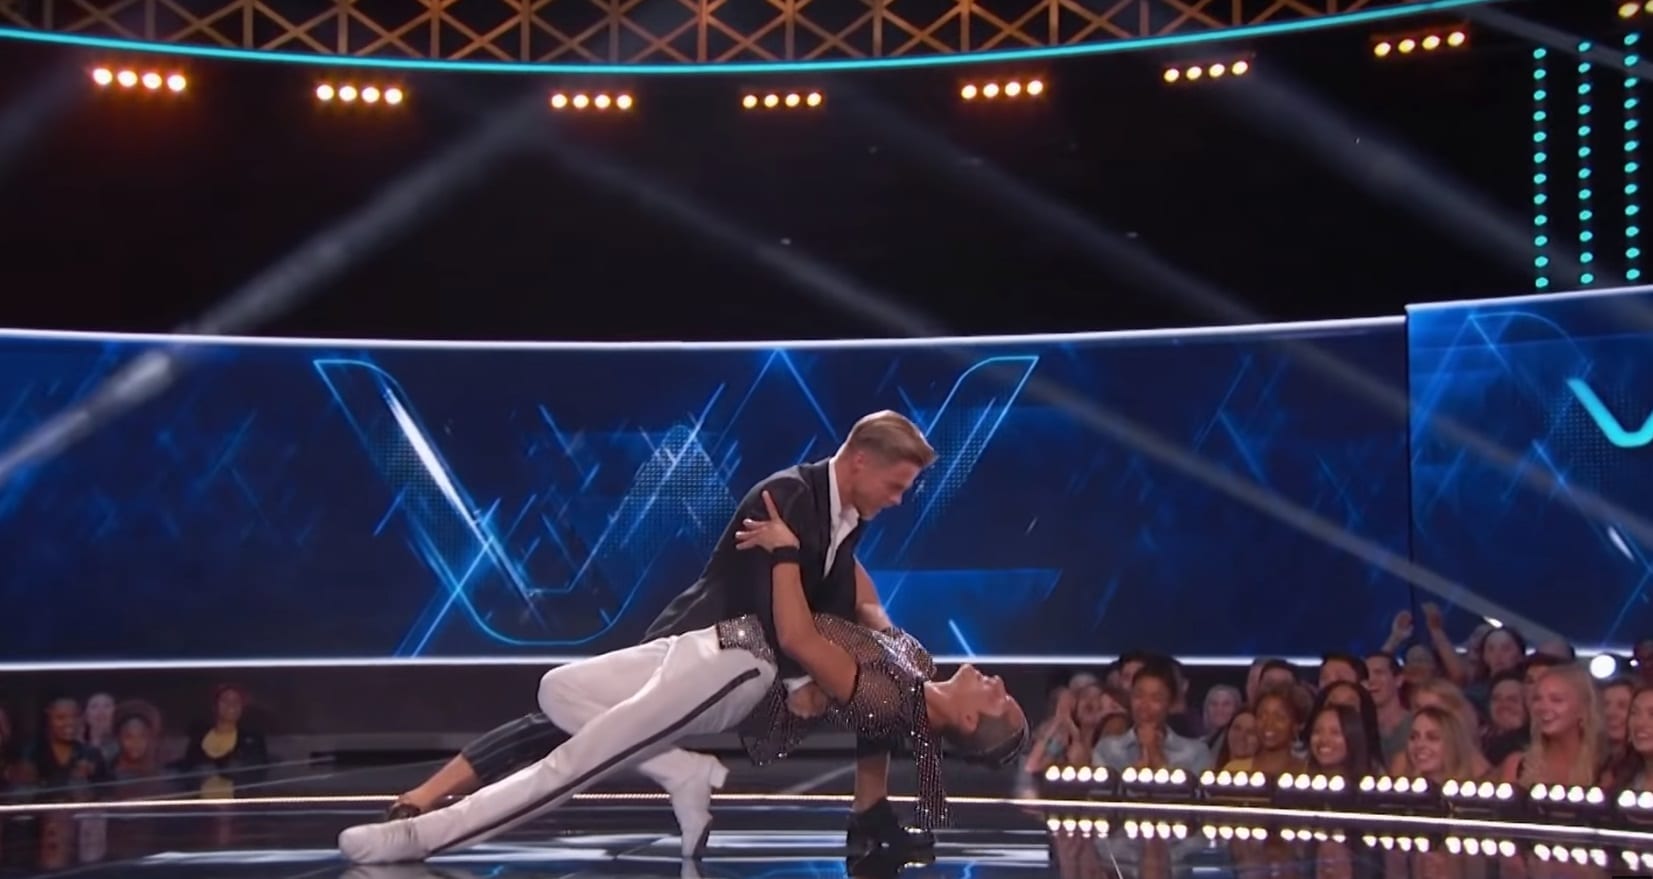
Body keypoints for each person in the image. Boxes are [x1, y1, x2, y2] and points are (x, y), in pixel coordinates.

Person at [337, 491, 1028, 863]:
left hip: (746, 668)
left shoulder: (888, 701)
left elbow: (798, 635)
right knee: (559, 692)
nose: (998, 679)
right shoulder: (917, 668)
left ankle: (426, 834)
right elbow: (864, 602)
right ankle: (680, 771)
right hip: (724, 640)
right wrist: (838, 543)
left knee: (575, 760)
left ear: (969, 719)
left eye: (999, 697)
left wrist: (788, 553)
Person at [376, 411, 946, 852]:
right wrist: (805, 680)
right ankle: (425, 803)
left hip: (754, 662)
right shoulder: (788, 497)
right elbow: (759, 602)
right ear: (860, 462)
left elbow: (834, 593)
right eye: (896, 485)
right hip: (707, 649)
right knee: (563, 723)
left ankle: (869, 812)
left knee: (880, 690)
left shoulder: (846, 514)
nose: (899, 500)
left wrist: (873, 639)